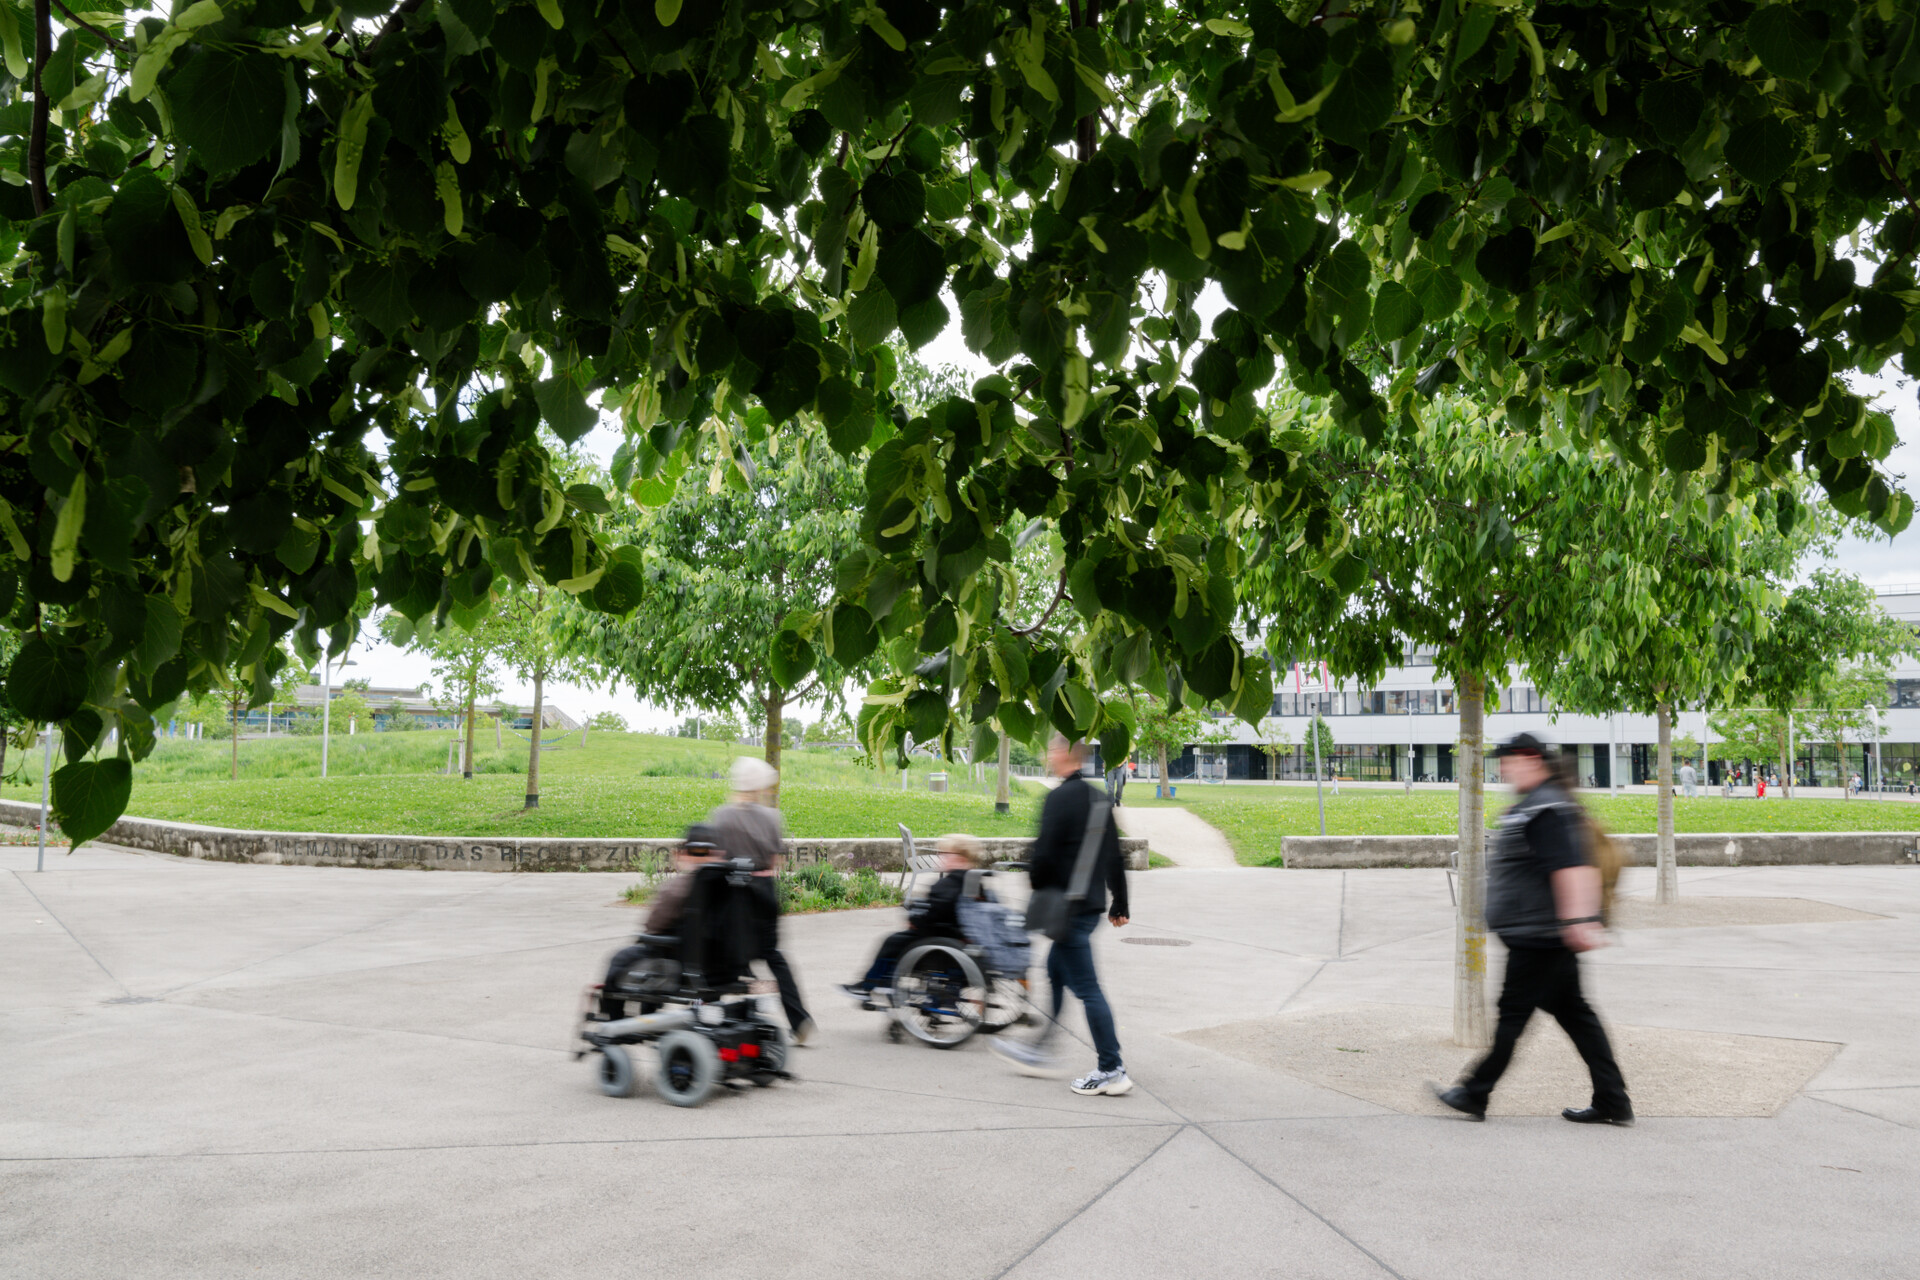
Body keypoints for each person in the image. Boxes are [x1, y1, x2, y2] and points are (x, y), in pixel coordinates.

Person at [1431, 733, 1633, 1126]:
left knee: (1513, 1017)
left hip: (1539, 937)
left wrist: (1578, 921)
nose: (1503, 770)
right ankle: (1613, 1099)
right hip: (1541, 935)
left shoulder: (1546, 808)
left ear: (1530, 760)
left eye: (1507, 762)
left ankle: (1474, 1092)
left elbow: (1571, 868)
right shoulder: (1539, 804)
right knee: (1577, 1017)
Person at [991, 735, 1133, 1096]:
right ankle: (1040, 1050)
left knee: (1087, 989)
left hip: (1067, 912)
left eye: (1052, 750)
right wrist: (1120, 903)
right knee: (1056, 971)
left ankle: (1111, 1068)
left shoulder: (1057, 798)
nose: (1048, 756)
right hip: (1088, 908)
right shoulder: (1099, 799)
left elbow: (1043, 856)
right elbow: (1114, 856)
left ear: (1066, 755)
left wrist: (1038, 886)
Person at [709, 756, 815, 1045]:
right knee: (773, 955)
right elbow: (775, 860)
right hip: (765, 890)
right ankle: (800, 1021)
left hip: (734, 893)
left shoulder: (722, 816)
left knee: (721, 954)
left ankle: (712, 1016)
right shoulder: (772, 817)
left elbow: (716, 859)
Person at [596, 824, 724, 1020]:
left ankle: (614, 1021)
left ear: (684, 853)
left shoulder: (679, 888)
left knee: (622, 959)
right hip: (719, 965)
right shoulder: (728, 886)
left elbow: (654, 927)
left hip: (681, 964)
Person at [838, 834, 986, 1001]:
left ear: (961, 858)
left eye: (945, 854)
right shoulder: (976, 884)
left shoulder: (949, 884)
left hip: (938, 943)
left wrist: (914, 919)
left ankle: (871, 984)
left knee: (892, 942)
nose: (941, 857)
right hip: (961, 942)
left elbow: (932, 914)